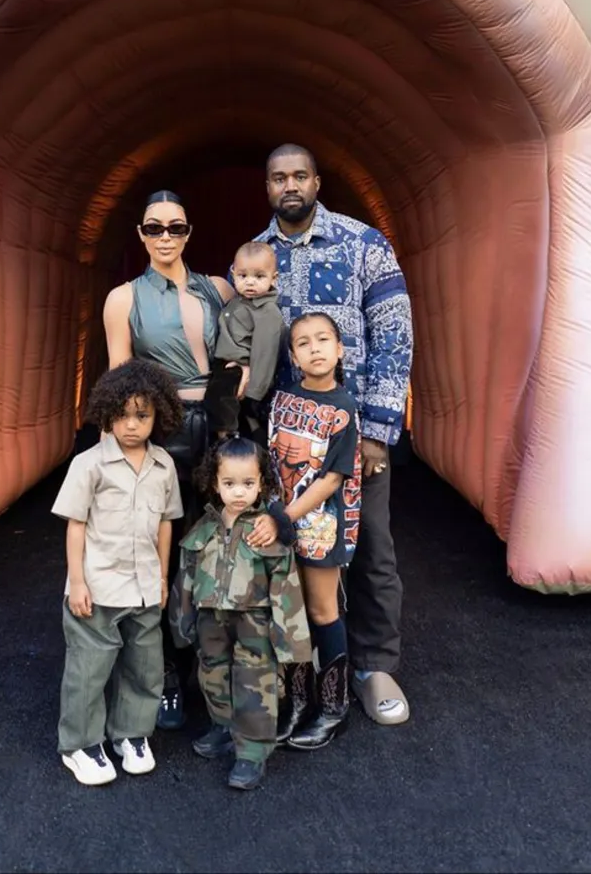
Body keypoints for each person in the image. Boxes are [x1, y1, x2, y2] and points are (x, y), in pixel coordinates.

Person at [254, 143, 414, 728]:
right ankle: (300, 670)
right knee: (289, 549)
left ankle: (374, 667)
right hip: (285, 444)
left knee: (369, 546)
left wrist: (378, 429)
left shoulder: (363, 244)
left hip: (353, 434)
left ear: (318, 182)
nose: (290, 186)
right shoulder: (255, 257)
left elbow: (395, 335)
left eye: (300, 175)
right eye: (279, 178)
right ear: (268, 188)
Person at [103, 190, 234, 730]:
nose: (165, 237)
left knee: (220, 547)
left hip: (221, 428)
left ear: (188, 232)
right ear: (141, 234)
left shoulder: (219, 289)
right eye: (154, 228)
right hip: (166, 431)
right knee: (160, 550)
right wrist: (120, 458)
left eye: (175, 227)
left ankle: (219, 667)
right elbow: (121, 381)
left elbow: (244, 349)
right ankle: (163, 673)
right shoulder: (123, 298)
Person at [52, 359, 184, 785]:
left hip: (144, 586)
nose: (131, 425)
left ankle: (131, 733)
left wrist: (162, 578)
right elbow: (76, 524)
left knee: (145, 665)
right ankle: (80, 743)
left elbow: (166, 524)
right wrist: (76, 582)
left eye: (142, 415)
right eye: (122, 415)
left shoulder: (164, 466)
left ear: (157, 415)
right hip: (99, 585)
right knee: (89, 668)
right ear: (106, 413)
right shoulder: (89, 464)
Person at [170, 436, 311, 790]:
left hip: (254, 620)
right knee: (212, 673)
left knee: (255, 681)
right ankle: (223, 727)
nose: (238, 492)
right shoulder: (203, 528)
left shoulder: (266, 532)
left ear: (262, 483)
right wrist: (181, 622)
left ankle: (252, 752)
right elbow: (186, 576)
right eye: (229, 483)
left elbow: (286, 585)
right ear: (214, 483)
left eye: (248, 483)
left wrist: (291, 642)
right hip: (210, 618)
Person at [267, 313, 363, 749]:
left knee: (323, 610)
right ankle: (298, 702)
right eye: (303, 343)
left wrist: (285, 516)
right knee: (293, 611)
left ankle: (333, 707)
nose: (314, 349)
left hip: (321, 524)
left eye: (323, 340)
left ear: (340, 349)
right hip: (284, 517)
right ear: (293, 356)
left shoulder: (343, 408)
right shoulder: (283, 398)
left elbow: (331, 479)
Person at [203, 241, 285, 442]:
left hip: (240, 368)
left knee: (221, 402)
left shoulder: (268, 311)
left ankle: (227, 440)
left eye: (259, 276)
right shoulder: (236, 301)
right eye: (243, 276)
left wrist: (254, 394)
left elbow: (265, 354)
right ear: (232, 274)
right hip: (223, 364)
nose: (250, 282)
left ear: (274, 278)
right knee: (218, 403)